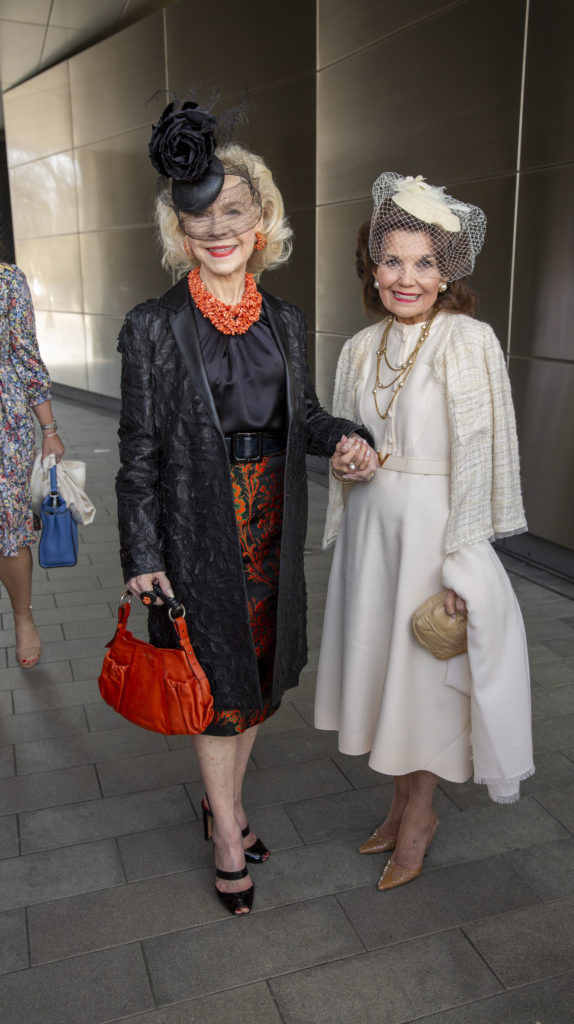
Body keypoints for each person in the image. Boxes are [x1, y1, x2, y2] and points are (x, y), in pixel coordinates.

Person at [116, 101, 376, 917]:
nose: (217, 229)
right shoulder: (153, 328)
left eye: (233, 211)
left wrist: (345, 436)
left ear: (262, 218)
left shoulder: (289, 323)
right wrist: (143, 555)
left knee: (257, 683)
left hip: (270, 528)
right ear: (179, 232)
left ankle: (217, 803)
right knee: (215, 685)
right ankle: (227, 828)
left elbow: (301, 416)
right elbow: (137, 454)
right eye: (199, 219)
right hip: (198, 528)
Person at [315, 172, 534, 891]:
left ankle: (419, 817)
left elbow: (485, 459)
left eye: (425, 263)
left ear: (448, 275)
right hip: (373, 541)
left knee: (426, 684)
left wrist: (464, 565)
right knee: (387, 679)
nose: (406, 277)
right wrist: (349, 463)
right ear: (370, 266)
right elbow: (354, 449)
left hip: (436, 539)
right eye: (392, 260)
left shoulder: (468, 342)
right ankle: (397, 801)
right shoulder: (356, 349)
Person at [0, 263, 65, 668]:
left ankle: (23, 617)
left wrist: (49, 429)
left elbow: (25, 353)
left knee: (8, 525)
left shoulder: (6, 281)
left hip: (4, 425)